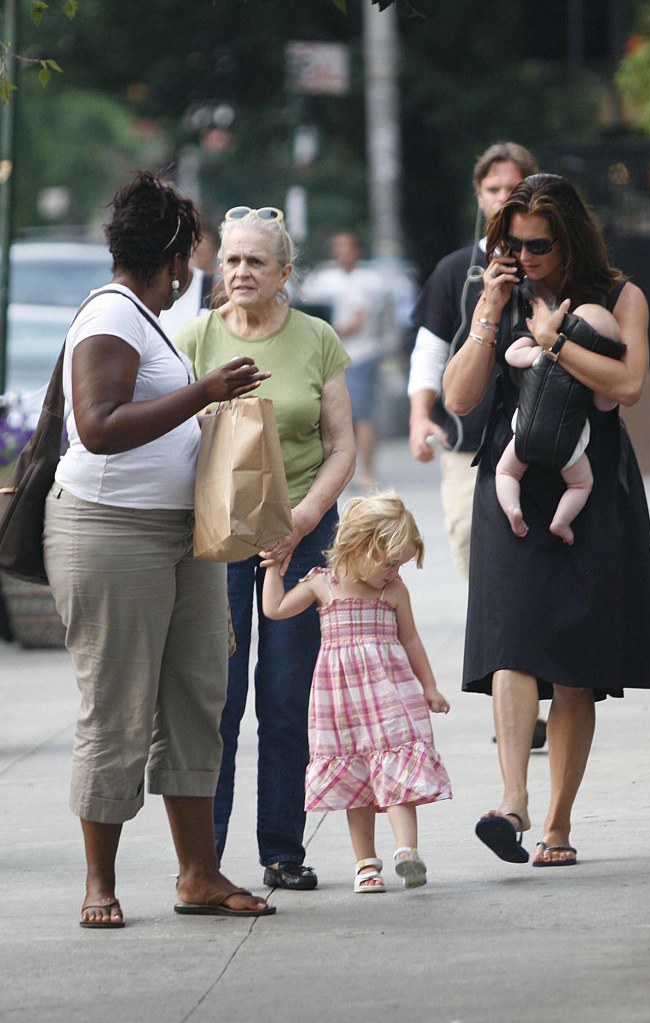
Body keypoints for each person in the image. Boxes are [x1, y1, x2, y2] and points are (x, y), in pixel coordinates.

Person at [43, 170, 276, 927]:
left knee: (195, 700)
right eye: (193, 261)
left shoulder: (145, 320)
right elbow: (101, 424)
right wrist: (203, 394)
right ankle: (100, 884)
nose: (194, 277)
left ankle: (198, 874)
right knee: (115, 706)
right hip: (112, 535)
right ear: (173, 257)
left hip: (181, 538)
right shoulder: (111, 316)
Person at [442, 172, 650, 867]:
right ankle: (510, 801)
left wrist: (551, 339)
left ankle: (555, 821)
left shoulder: (619, 295)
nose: (525, 257)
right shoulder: (501, 293)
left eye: (537, 245)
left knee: (574, 661)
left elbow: (628, 384)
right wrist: (491, 310)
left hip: (588, 486)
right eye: (511, 245)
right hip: (511, 482)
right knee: (510, 640)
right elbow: (459, 399)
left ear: (569, 236)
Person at [175, 205, 356, 891]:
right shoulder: (194, 338)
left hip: (303, 537)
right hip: (219, 538)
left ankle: (282, 848)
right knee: (216, 700)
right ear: (216, 268)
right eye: (231, 260)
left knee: (286, 697)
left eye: (256, 261)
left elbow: (344, 445)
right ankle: (206, 858)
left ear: (284, 272)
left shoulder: (316, 339)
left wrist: (305, 518)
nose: (242, 271)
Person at [408, 141, 547, 751]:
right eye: (493, 190)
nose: (501, 199)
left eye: (513, 189)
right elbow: (429, 351)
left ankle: (532, 678)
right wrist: (419, 418)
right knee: (478, 553)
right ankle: (511, 684)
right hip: (470, 448)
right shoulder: (455, 272)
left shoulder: (553, 269)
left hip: (547, 444)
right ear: (479, 196)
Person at [261, 493, 452, 893]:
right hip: (342, 702)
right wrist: (274, 570)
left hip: (389, 696)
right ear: (359, 546)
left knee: (397, 772)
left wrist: (429, 686)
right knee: (355, 784)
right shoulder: (322, 584)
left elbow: (411, 639)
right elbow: (275, 610)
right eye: (389, 563)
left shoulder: (394, 591)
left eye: (400, 564)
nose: (394, 572)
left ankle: (407, 852)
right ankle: (366, 865)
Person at [496, 304, 620, 545]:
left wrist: (536, 338)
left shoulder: (542, 354)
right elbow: (605, 404)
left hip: (524, 435)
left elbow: (511, 355)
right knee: (581, 484)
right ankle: (561, 522)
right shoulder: (590, 375)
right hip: (567, 448)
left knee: (506, 472)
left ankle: (512, 508)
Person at [301, 231, 386, 489]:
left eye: (347, 247)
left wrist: (328, 332)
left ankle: (368, 471)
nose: (342, 252)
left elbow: (358, 321)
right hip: (327, 357)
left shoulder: (368, 280)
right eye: (338, 247)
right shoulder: (324, 279)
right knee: (330, 415)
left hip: (360, 354)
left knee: (361, 414)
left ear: (357, 250)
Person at [160, 218, 220, 335]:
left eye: (203, 251)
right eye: (196, 250)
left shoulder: (215, 288)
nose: (198, 256)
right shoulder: (149, 287)